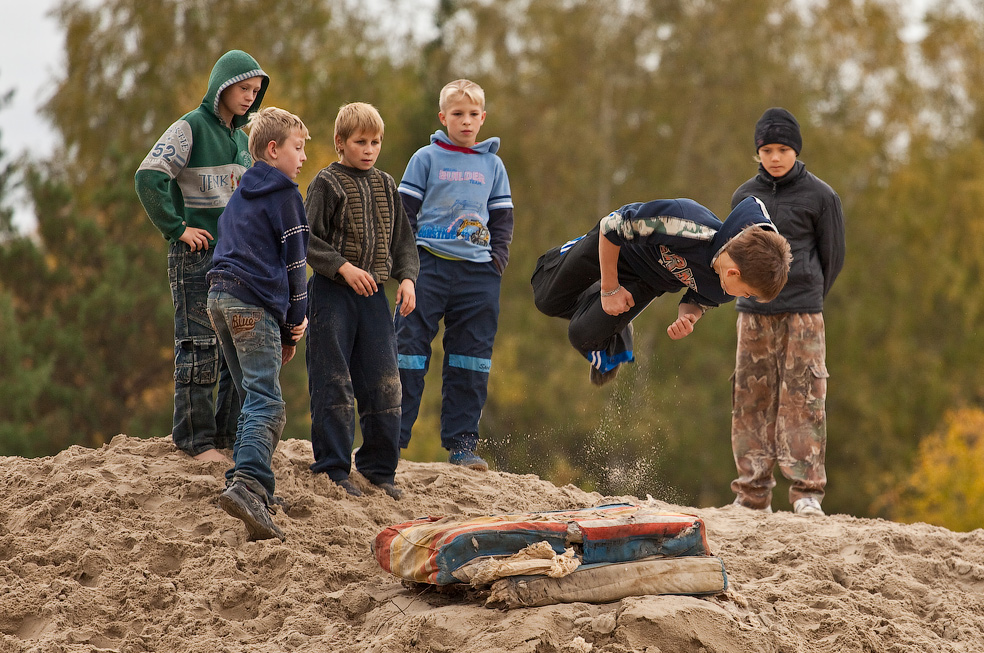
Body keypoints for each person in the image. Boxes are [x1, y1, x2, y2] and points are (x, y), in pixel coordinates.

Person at [135, 50, 269, 463]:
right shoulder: (189, 127)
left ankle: (227, 438)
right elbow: (148, 176)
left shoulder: (245, 143)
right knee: (199, 345)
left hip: (236, 261)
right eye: (243, 88)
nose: (249, 97)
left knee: (236, 350)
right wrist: (177, 228)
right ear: (222, 86)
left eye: (255, 91)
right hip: (195, 257)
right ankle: (195, 441)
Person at [532, 196, 792, 385]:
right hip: (615, 247)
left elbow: (698, 301)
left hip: (646, 282)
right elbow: (611, 227)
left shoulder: (725, 287)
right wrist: (610, 289)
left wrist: (688, 316)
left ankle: (618, 332)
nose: (743, 298)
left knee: (581, 334)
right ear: (734, 272)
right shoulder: (686, 225)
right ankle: (584, 279)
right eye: (747, 293)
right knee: (546, 300)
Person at [729, 107, 845, 517]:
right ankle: (751, 494)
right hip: (753, 314)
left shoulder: (822, 196)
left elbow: (833, 256)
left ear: (795, 150)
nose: (775, 157)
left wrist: (806, 294)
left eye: (783, 149)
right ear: (757, 152)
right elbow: (732, 255)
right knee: (750, 399)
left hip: (803, 315)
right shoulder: (744, 196)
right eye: (767, 149)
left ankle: (806, 493)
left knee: (804, 400)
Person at [394, 79, 514, 471]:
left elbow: (503, 219)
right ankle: (390, 439)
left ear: (483, 118)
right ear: (443, 117)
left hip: (478, 275)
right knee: (408, 352)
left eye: (473, 115)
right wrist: (407, 265)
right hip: (428, 266)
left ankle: (462, 445)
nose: (465, 121)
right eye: (457, 114)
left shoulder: (493, 165)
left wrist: (497, 260)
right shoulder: (425, 158)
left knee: (471, 359)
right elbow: (404, 215)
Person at [206, 106, 311, 541]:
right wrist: (295, 322)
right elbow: (297, 267)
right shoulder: (286, 195)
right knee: (267, 401)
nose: (303, 158)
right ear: (273, 149)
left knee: (252, 395)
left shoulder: (240, 194)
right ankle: (248, 484)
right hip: (253, 302)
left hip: (218, 299)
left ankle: (252, 482)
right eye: (299, 148)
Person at [305, 102, 419, 500]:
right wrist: (343, 268)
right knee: (333, 383)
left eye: (375, 142)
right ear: (340, 142)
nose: (369, 149)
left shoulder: (387, 184)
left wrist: (407, 279)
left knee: (385, 383)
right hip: (332, 295)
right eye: (360, 141)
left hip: (374, 297)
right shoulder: (326, 183)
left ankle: (378, 469)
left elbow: (404, 240)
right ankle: (333, 468)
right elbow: (308, 240)